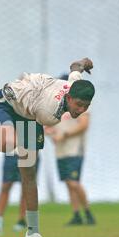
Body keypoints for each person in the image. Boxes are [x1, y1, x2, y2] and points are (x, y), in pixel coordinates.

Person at [0, 58, 95, 237]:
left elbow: (75, 69)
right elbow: (32, 120)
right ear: (68, 98)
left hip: (28, 111)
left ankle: (33, 234)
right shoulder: (49, 114)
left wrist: (83, 63)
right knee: (8, 142)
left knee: (28, 174)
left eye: (86, 106)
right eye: (78, 105)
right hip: (6, 103)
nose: (81, 110)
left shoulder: (73, 87)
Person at [45, 75, 96, 226]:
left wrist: (64, 135)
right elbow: (51, 126)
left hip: (75, 149)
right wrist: (50, 133)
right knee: (68, 182)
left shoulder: (81, 103)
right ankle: (76, 215)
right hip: (61, 150)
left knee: (74, 182)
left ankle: (88, 213)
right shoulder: (59, 104)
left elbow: (84, 125)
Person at [0, 155, 27, 235]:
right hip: (11, 154)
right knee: (5, 186)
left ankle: (21, 220)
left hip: (29, 154)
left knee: (25, 187)